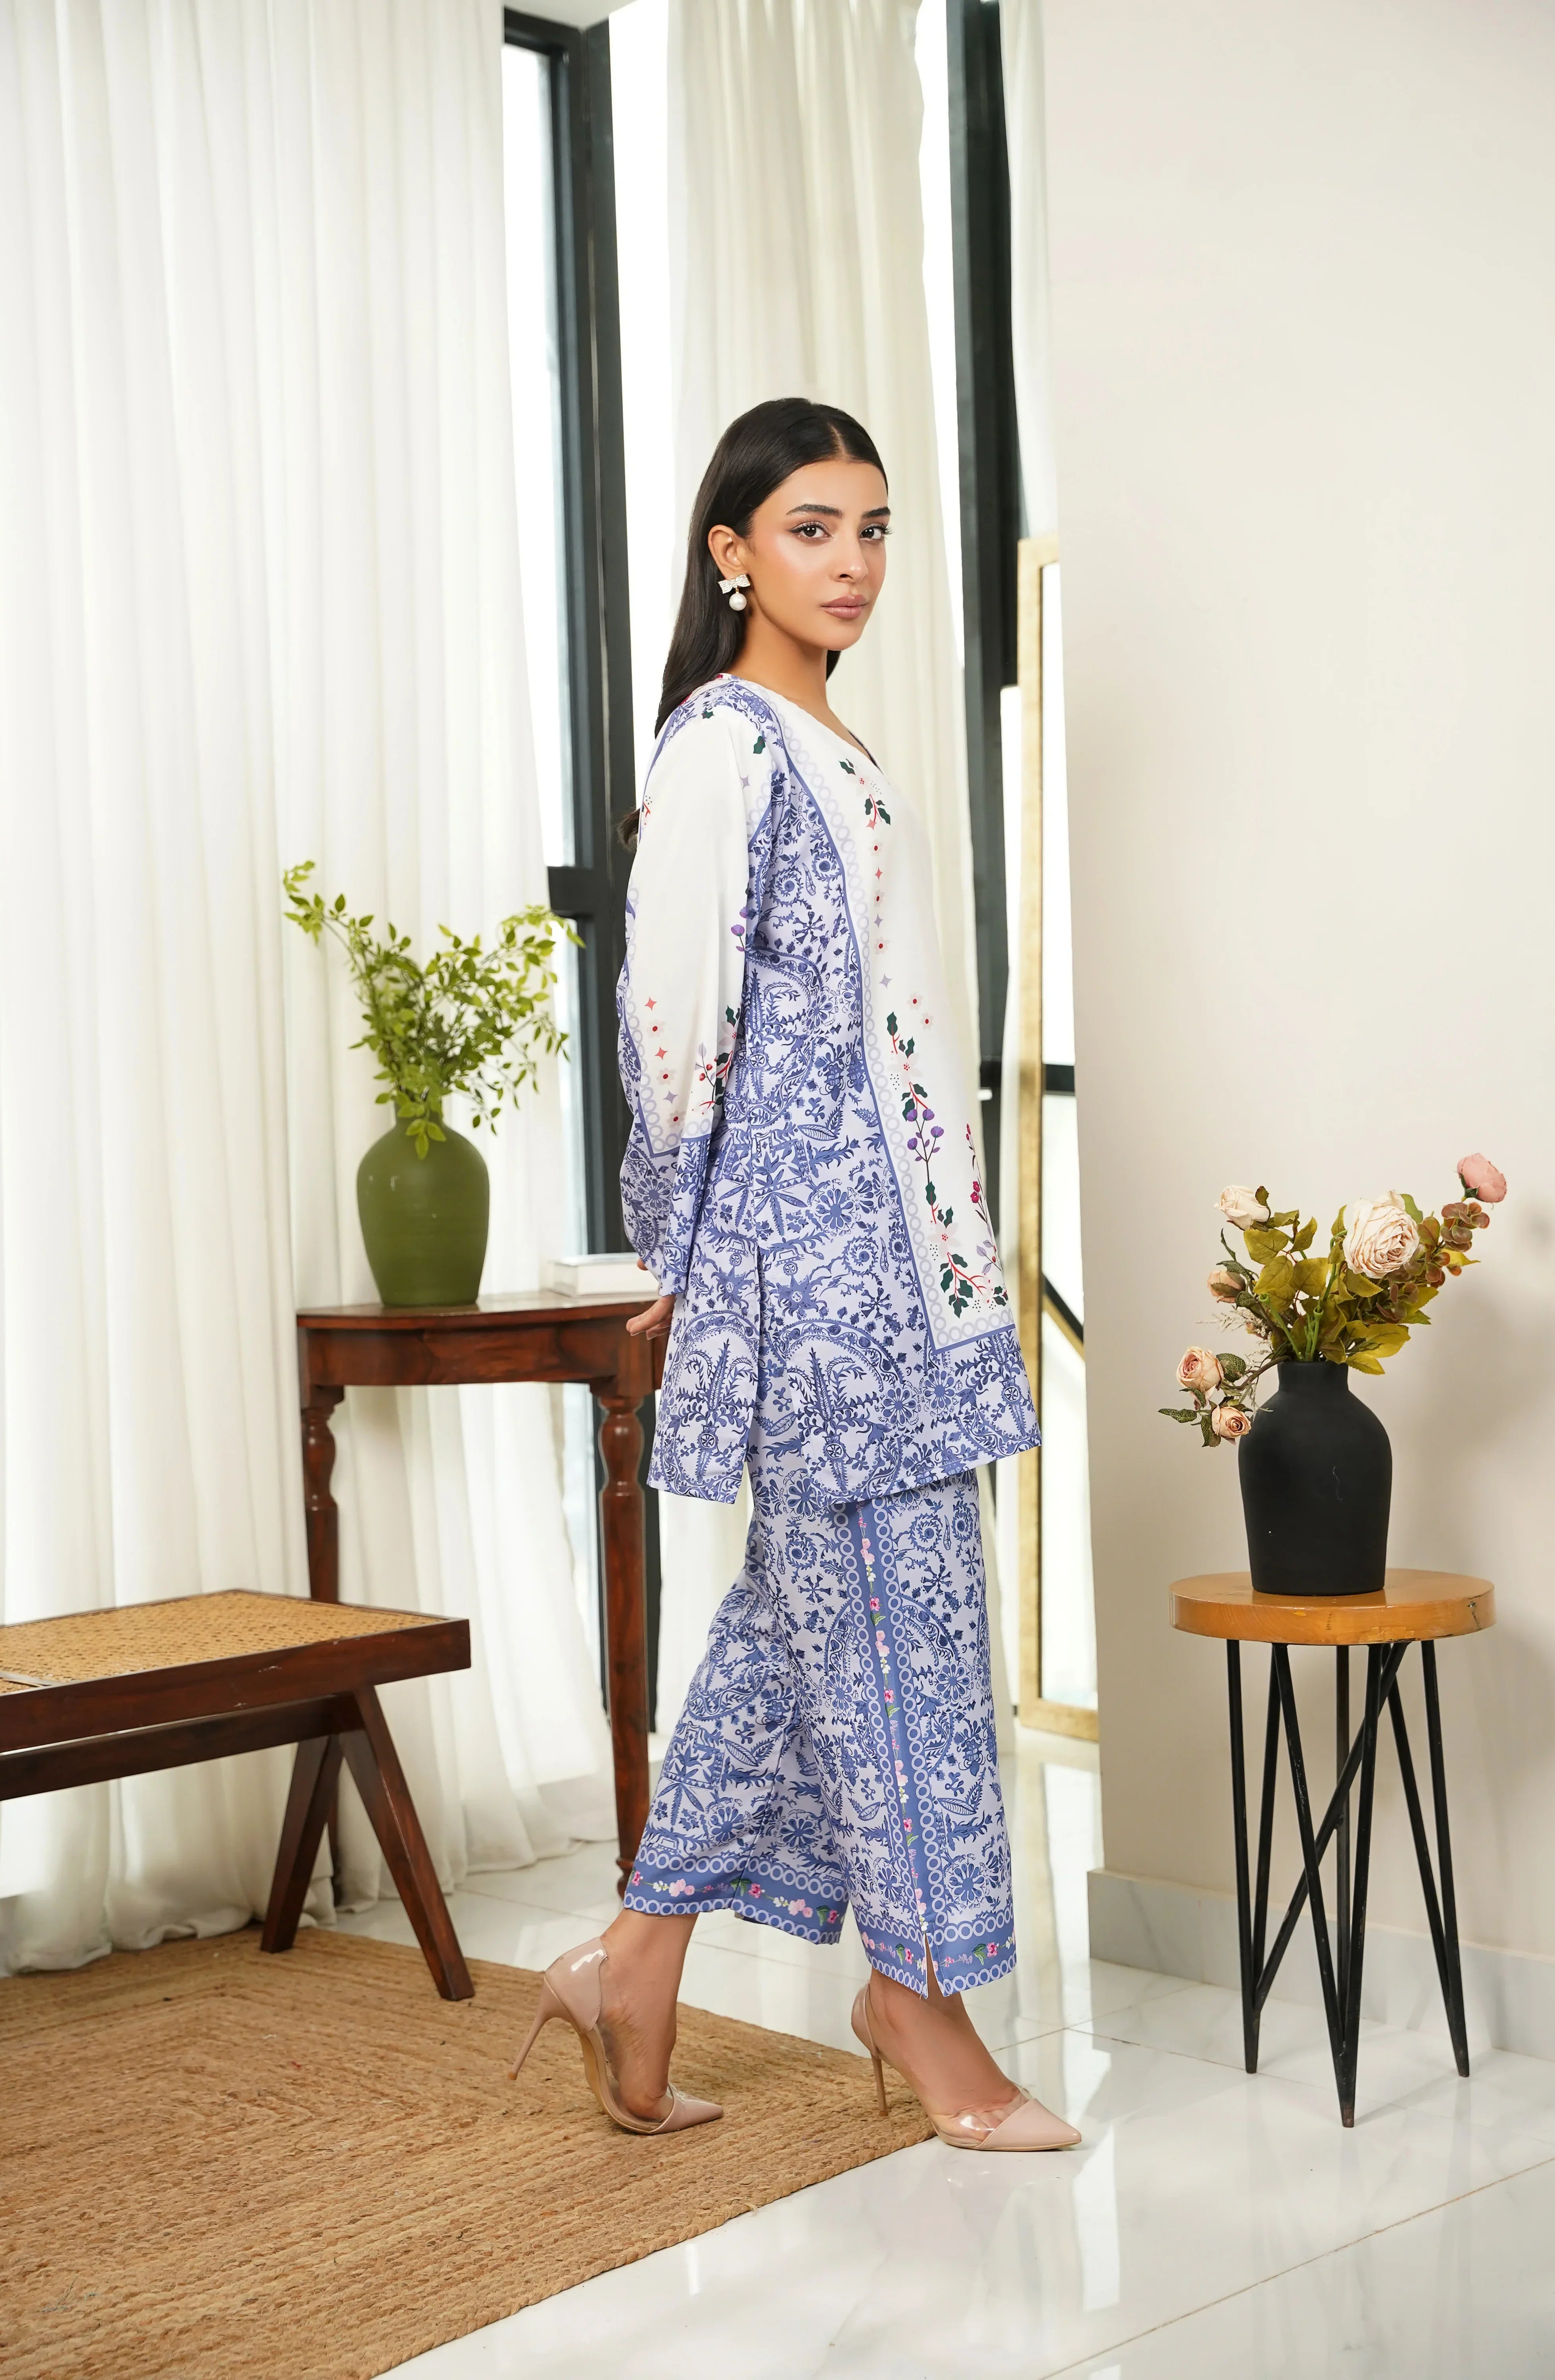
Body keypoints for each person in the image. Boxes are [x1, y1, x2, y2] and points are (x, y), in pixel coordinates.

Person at [511, 397, 1078, 2152]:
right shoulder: (723, 749)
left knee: (796, 1633)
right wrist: (680, 1251)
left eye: (873, 528)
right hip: (812, 1277)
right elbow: (668, 1023)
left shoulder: (835, 744)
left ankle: (632, 1965)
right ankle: (923, 2006)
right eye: (813, 528)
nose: (852, 562)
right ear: (731, 552)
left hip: (904, 1265)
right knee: (905, 1635)